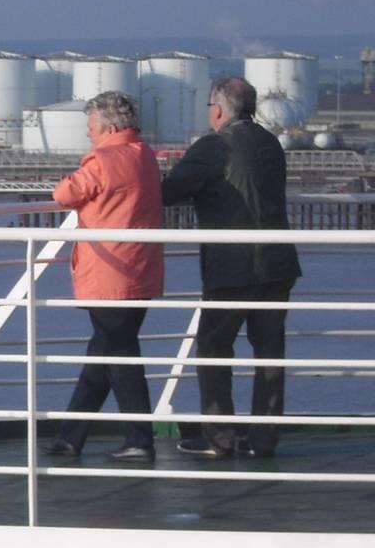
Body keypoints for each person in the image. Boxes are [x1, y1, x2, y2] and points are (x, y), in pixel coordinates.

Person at [161, 76, 302, 458]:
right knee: (270, 353)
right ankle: (263, 439)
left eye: (209, 106)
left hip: (232, 266)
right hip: (277, 263)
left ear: (219, 109)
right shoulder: (269, 142)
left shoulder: (213, 146)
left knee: (212, 348)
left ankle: (218, 438)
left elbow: (170, 192)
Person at [47, 91, 164, 461]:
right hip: (140, 269)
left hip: (108, 272)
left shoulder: (102, 159)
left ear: (108, 126)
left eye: (92, 126)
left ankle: (140, 439)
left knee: (120, 353)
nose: (88, 133)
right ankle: (70, 437)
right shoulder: (144, 155)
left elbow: (65, 193)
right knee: (104, 351)